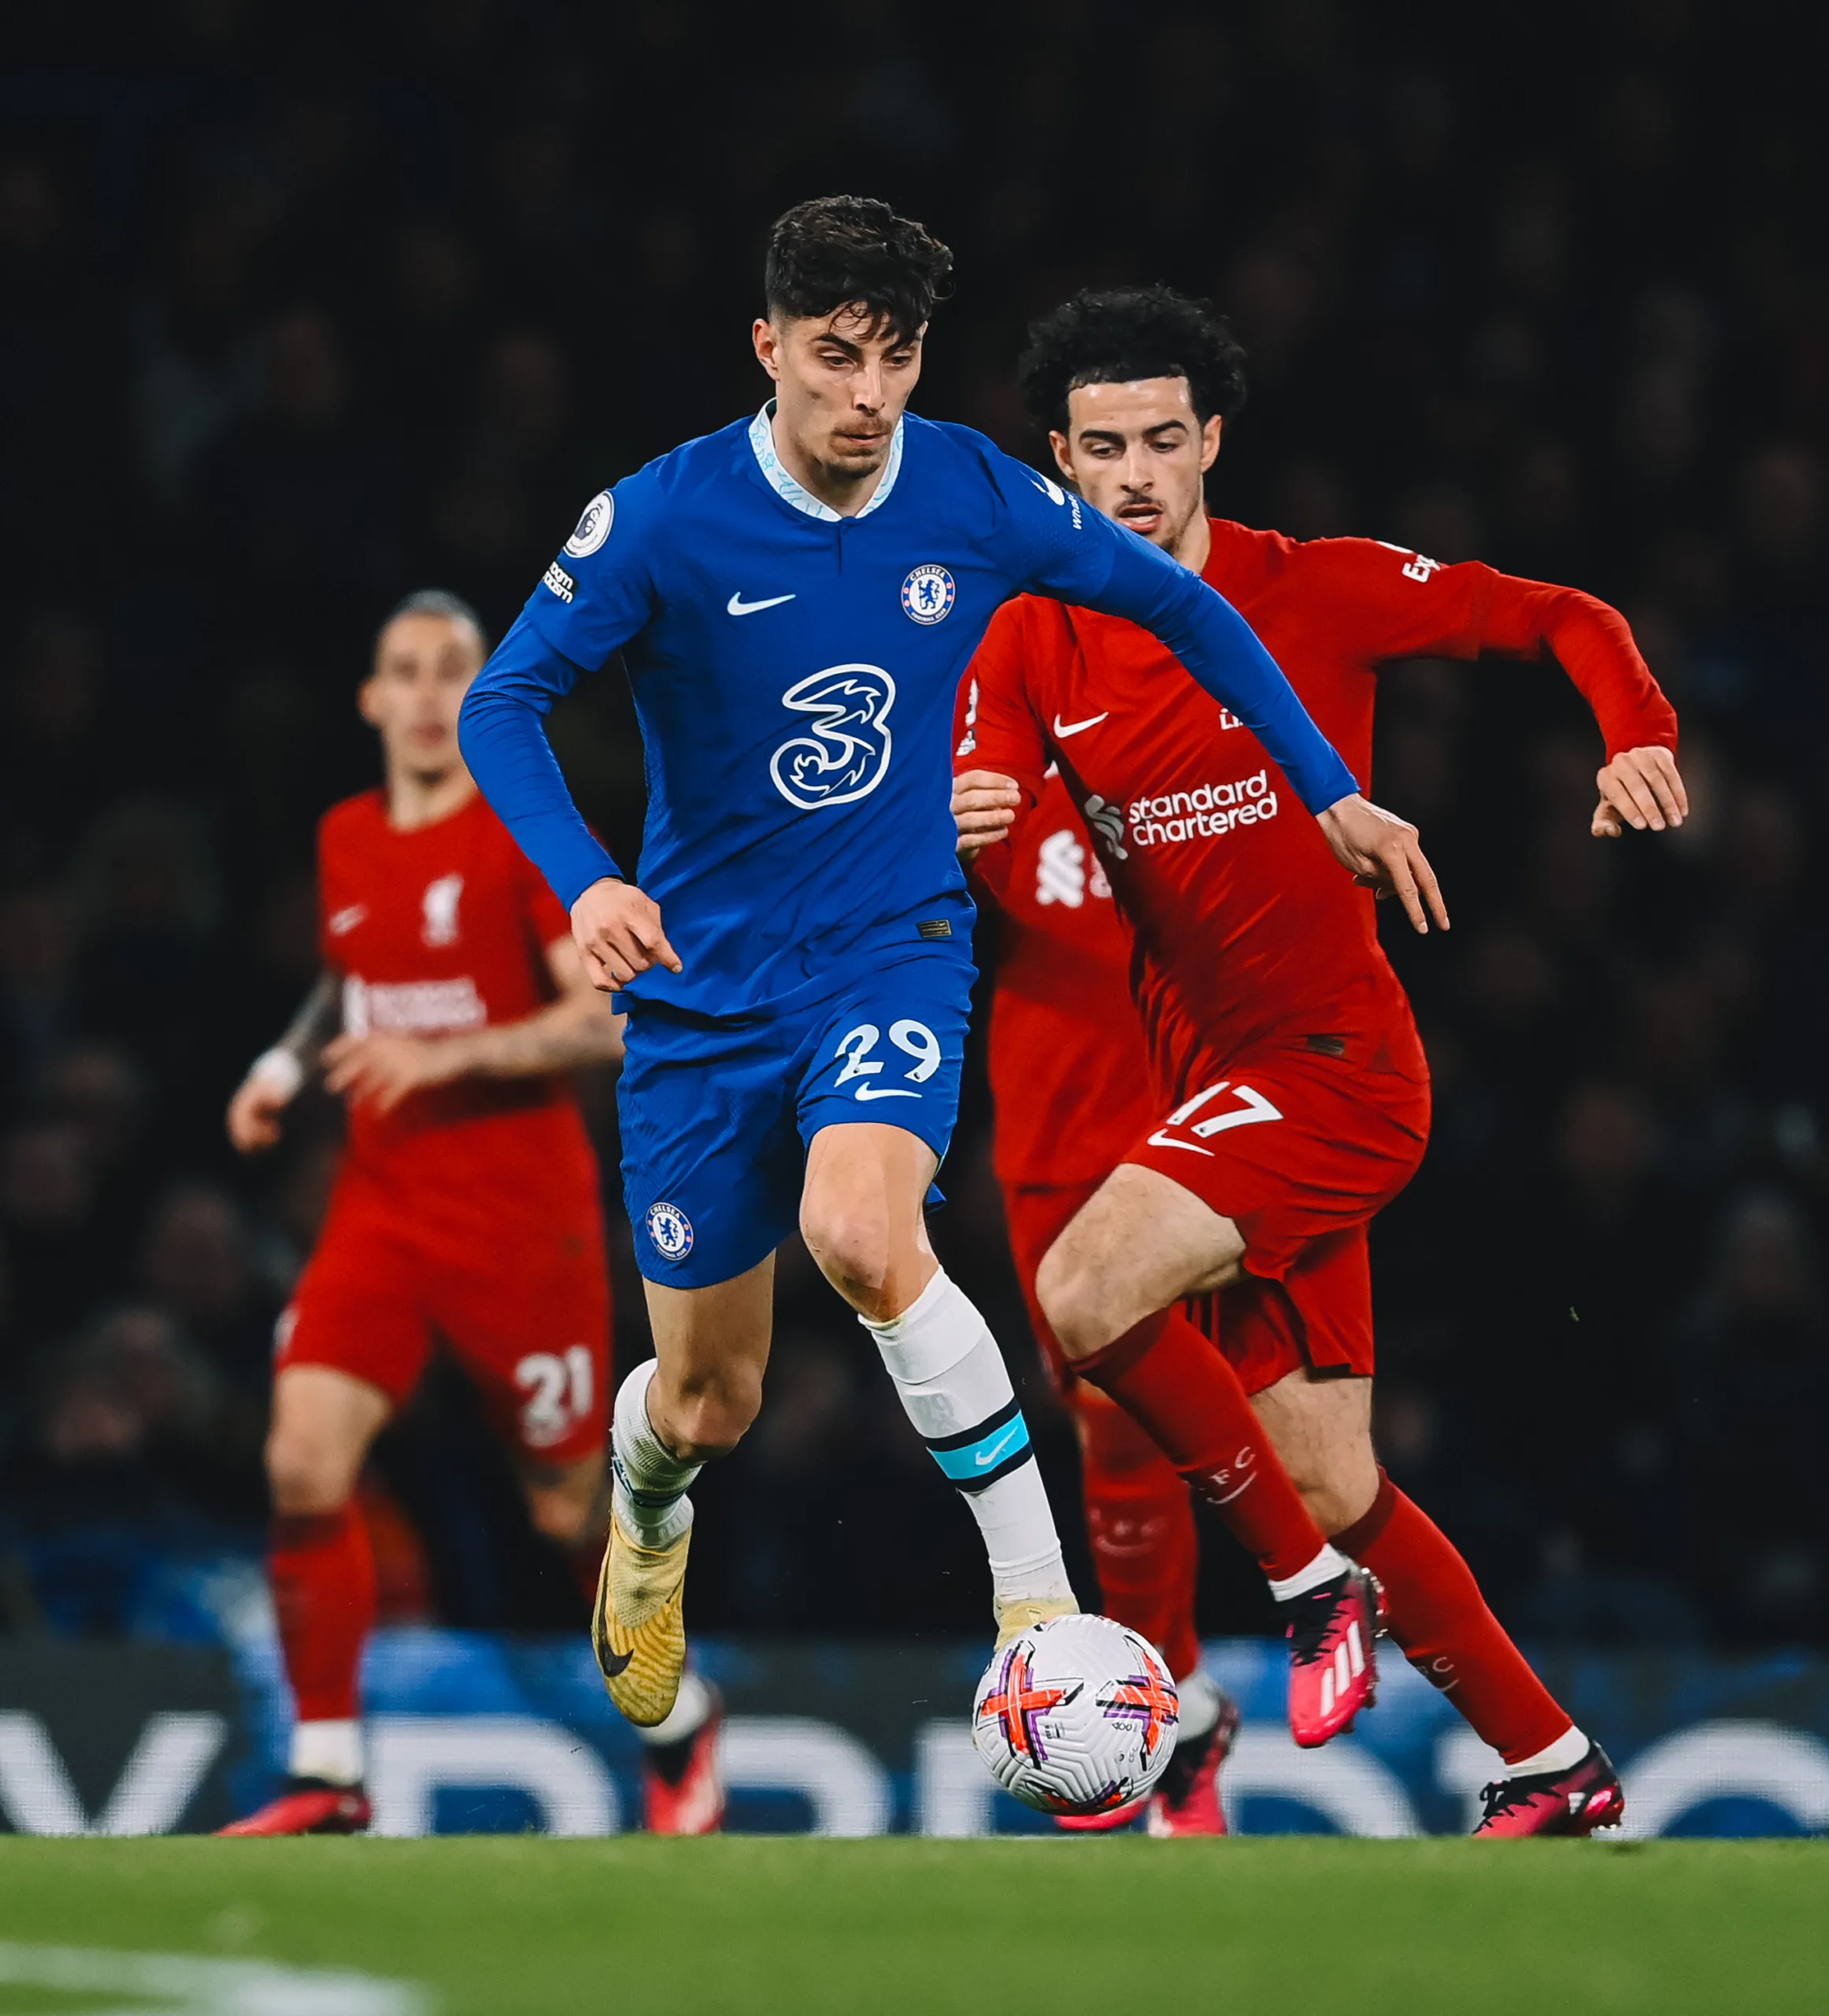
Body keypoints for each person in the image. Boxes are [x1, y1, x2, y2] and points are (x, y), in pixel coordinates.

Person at [456, 196, 1444, 1736]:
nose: (868, 395)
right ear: (770, 347)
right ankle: (649, 1522)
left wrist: (1327, 785)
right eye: (837, 356)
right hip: (700, 997)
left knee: (858, 1226)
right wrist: (584, 879)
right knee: (710, 1399)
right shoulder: (660, 518)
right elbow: (501, 703)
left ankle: (1037, 1609)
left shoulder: (975, 493)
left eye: (898, 358)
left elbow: (1187, 606)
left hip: (888, 952)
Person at [955, 286, 1688, 1836]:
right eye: (1103, 448)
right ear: (1060, 466)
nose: (1138, 474)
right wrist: (961, 822)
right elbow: (987, 805)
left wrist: (1636, 729)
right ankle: (1554, 1760)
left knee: (1084, 1297)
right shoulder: (1034, 638)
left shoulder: (1316, 590)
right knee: (1340, 1474)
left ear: (1213, 440)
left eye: (1164, 439)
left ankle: (1296, 1594)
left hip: (1338, 1065)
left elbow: (1563, 614)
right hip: (1228, 1097)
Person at [219, 591, 722, 1837]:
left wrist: (449, 1059)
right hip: (381, 1211)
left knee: (564, 1507)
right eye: (409, 669)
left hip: (517, 1220)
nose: (433, 691)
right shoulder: (345, 836)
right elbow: (356, 971)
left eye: (457, 669)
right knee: (301, 1460)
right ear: (373, 701)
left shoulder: (520, 839)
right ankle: (328, 1775)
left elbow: (605, 1017)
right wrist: (285, 1065)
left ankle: (678, 1723)